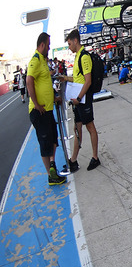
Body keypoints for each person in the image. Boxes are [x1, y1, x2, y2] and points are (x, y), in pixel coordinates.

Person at [26, 32, 66, 185]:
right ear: (41, 44)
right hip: (39, 111)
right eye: (48, 45)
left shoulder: (43, 60)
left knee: (53, 140)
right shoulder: (35, 60)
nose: (49, 48)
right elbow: (29, 80)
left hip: (48, 110)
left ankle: (52, 167)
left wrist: (54, 98)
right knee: (45, 143)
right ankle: (50, 176)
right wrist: (36, 104)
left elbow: (44, 84)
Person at [63, 29, 101, 172]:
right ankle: (73, 160)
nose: (69, 46)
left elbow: (88, 81)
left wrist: (79, 98)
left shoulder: (84, 57)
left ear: (75, 41)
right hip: (78, 100)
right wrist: (65, 78)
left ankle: (95, 158)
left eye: (69, 43)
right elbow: (79, 79)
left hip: (83, 99)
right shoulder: (78, 56)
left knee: (90, 127)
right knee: (77, 129)